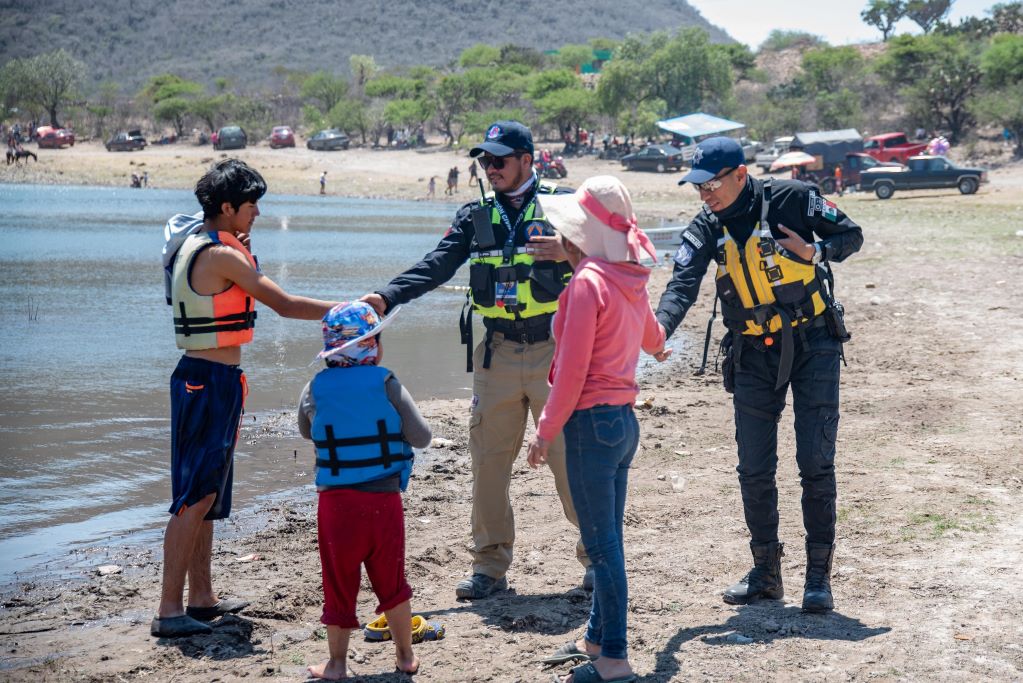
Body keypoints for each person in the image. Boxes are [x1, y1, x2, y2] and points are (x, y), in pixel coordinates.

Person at [360, 120, 592, 599]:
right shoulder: (474, 215)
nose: (490, 168)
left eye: (499, 160)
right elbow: (438, 263)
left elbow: (617, 256)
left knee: (572, 460)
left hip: (558, 349)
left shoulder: (565, 204)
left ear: (528, 159)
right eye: (484, 160)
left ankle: (598, 559)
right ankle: (489, 568)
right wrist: (386, 297)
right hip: (498, 351)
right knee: (488, 463)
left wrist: (569, 250)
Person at [654, 137, 862, 613]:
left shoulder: (793, 197)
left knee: (816, 462)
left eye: (710, 185)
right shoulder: (707, 224)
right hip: (750, 351)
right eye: (697, 188)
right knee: (753, 467)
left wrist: (816, 252)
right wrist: (661, 329)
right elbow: (682, 282)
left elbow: (852, 235)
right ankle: (766, 574)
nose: (704, 195)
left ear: (740, 175)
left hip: (814, 343)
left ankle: (817, 579)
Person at [154, 159, 338, 638]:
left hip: (211, 378)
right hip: (205, 382)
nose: (257, 212)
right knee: (194, 497)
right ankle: (169, 611)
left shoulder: (211, 245)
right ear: (227, 207)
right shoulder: (220, 255)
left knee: (208, 496)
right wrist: (351, 308)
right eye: (251, 204)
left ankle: (201, 598)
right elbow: (285, 304)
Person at [528, 176, 666, 683]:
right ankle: (595, 636)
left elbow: (571, 371)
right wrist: (656, 347)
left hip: (591, 424)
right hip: (623, 423)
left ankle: (614, 658)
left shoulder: (588, 282)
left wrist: (545, 431)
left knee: (603, 546)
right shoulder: (626, 277)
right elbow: (654, 339)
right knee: (609, 540)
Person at [297, 302, 433, 679]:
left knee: (338, 583)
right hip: (383, 502)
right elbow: (421, 437)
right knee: (392, 581)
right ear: (370, 346)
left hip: (336, 507)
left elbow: (307, 431)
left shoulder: (314, 387)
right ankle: (405, 656)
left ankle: (337, 664)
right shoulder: (387, 383)